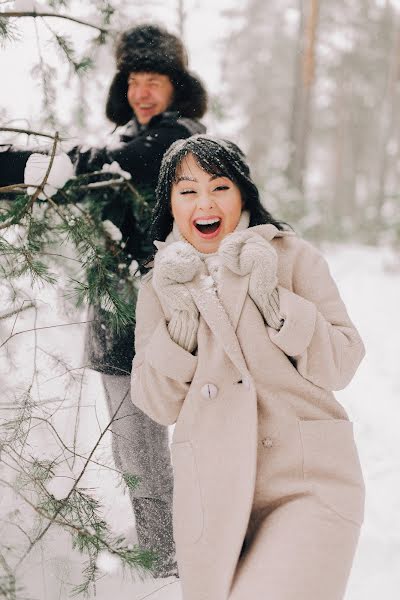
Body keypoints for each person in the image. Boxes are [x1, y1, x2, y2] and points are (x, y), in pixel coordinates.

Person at [0, 24, 208, 580]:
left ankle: (169, 558)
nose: (143, 91)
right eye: (134, 80)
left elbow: (90, 166)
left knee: (152, 438)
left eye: (155, 79)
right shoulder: (125, 139)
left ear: (177, 87)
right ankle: (165, 544)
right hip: (119, 311)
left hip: (161, 314)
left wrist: (11, 165)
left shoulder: (176, 142)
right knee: (132, 439)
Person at [131, 135, 366, 600]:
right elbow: (157, 403)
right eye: (188, 190)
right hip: (214, 497)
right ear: (171, 205)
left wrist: (273, 299)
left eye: (220, 186)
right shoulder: (161, 283)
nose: (205, 202)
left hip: (308, 480)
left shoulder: (291, 257)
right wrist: (180, 323)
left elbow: (342, 361)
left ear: (242, 194)